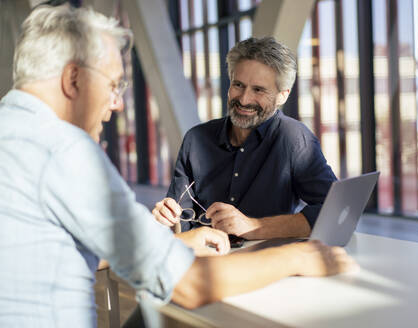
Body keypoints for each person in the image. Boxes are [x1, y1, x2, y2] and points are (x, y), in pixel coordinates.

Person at [0, 4, 358, 327]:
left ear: (281, 95)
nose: (118, 104)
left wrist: (186, 240)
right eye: (113, 85)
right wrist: (297, 257)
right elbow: (186, 284)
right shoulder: (65, 152)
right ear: (73, 79)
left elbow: (72, 253)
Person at [153, 37, 337, 240]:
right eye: (238, 85)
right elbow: (182, 226)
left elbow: (334, 212)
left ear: (282, 96)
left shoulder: (295, 139)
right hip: (205, 262)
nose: (244, 99)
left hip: (266, 263)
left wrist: (253, 226)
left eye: (258, 90)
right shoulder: (195, 140)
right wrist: (169, 221)